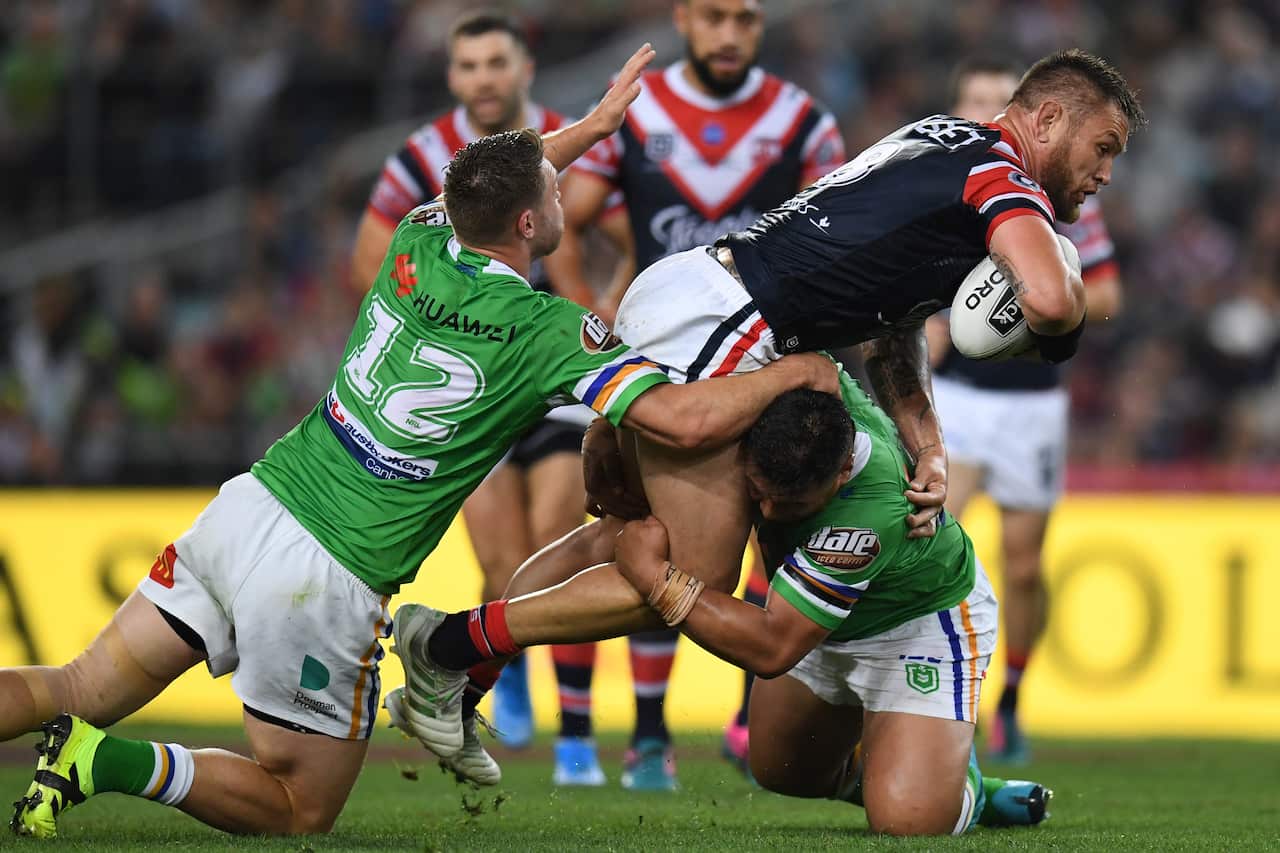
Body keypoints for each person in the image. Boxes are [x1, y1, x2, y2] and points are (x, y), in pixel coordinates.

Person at [4, 45, 841, 839]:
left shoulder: (418, 235)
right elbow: (682, 420)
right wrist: (795, 371)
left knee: (75, 682)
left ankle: (84, 736)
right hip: (325, 573)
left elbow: (490, 183)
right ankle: (108, 761)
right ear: (529, 220)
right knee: (299, 807)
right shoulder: (548, 329)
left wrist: (588, 129)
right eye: (554, 189)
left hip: (251, 506)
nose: (565, 190)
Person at [389, 49, 1144, 786]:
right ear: (1049, 118)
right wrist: (1066, 296)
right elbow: (1051, 302)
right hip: (730, 325)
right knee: (693, 575)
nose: (1105, 172)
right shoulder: (1002, 176)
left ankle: (463, 672)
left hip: (697, 292)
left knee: (619, 533)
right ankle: (450, 645)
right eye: (1103, 147)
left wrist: (929, 445)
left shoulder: (939, 141)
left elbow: (892, 327)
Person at [542, 0, 845, 788]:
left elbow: (837, 240)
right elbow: (563, 221)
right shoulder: (640, 115)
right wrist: (592, 326)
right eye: (714, 16)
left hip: (761, 367)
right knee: (649, 536)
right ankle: (627, 729)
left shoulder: (804, 122)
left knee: (768, 537)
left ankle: (743, 720)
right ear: (682, 17)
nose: (730, 33)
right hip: (662, 365)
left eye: (745, 18)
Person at [350, 11, 632, 750]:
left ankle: (569, 727)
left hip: (554, 368)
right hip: (466, 386)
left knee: (556, 539)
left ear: (524, 70)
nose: (483, 79)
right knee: (502, 561)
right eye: (469, 66)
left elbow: (627, 230)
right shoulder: (421, 156)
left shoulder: (570, 139)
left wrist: (607, 300)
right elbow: (368, 261)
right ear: (452, 76)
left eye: (496, 63)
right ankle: (495, 684)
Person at [607, 382, 1053, 836]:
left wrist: (656, 580)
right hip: (822, 617)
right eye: (758, 490)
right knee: (780, 771)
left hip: (917, 624)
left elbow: (772, 647)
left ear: (843, 473)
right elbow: (824, 364)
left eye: (790, 502)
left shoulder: (873, 511)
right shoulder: (820, 404)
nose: (768, 511)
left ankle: (963, 789)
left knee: (909, 821)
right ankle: (907, 768)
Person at [924, 58, 1125, 765]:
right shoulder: (952, 185)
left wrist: (1045, 291)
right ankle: (942, 694)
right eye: (974, 98)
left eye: (996, 97)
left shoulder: (1065, 203)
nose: (985, 107)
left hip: (1033, 402)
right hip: (959, 396)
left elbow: (1108, 296)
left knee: (1025, 567)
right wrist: (934, 321)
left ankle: (1010, 700)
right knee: (937, 542)